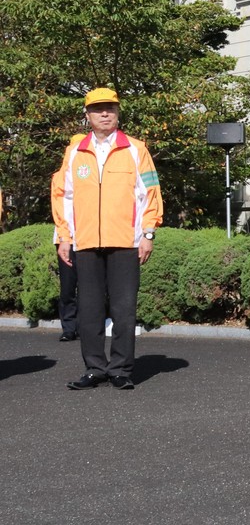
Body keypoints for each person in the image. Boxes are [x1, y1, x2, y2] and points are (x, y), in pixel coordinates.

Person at [52, 88, 163, 390]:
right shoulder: (75, 152)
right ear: (87, 115)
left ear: (118, 112)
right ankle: (94, 368)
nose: (105, 114)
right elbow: (64, 195)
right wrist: (64, 236)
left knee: (124, 309)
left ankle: (121, 369)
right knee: (89, 309)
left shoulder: (136, 149)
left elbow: (150, 193)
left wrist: (148, 232)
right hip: (85, 243)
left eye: (110, 108)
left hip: (126, 242)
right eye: (98, 109)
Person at [50, 134, 87, 342]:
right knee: (67, 286)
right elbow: (58, 207)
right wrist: (64, 235)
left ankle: (85, 327)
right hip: (65, 238)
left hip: (88, 237)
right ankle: (68, 327)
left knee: (88, 286)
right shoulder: (60, 176)